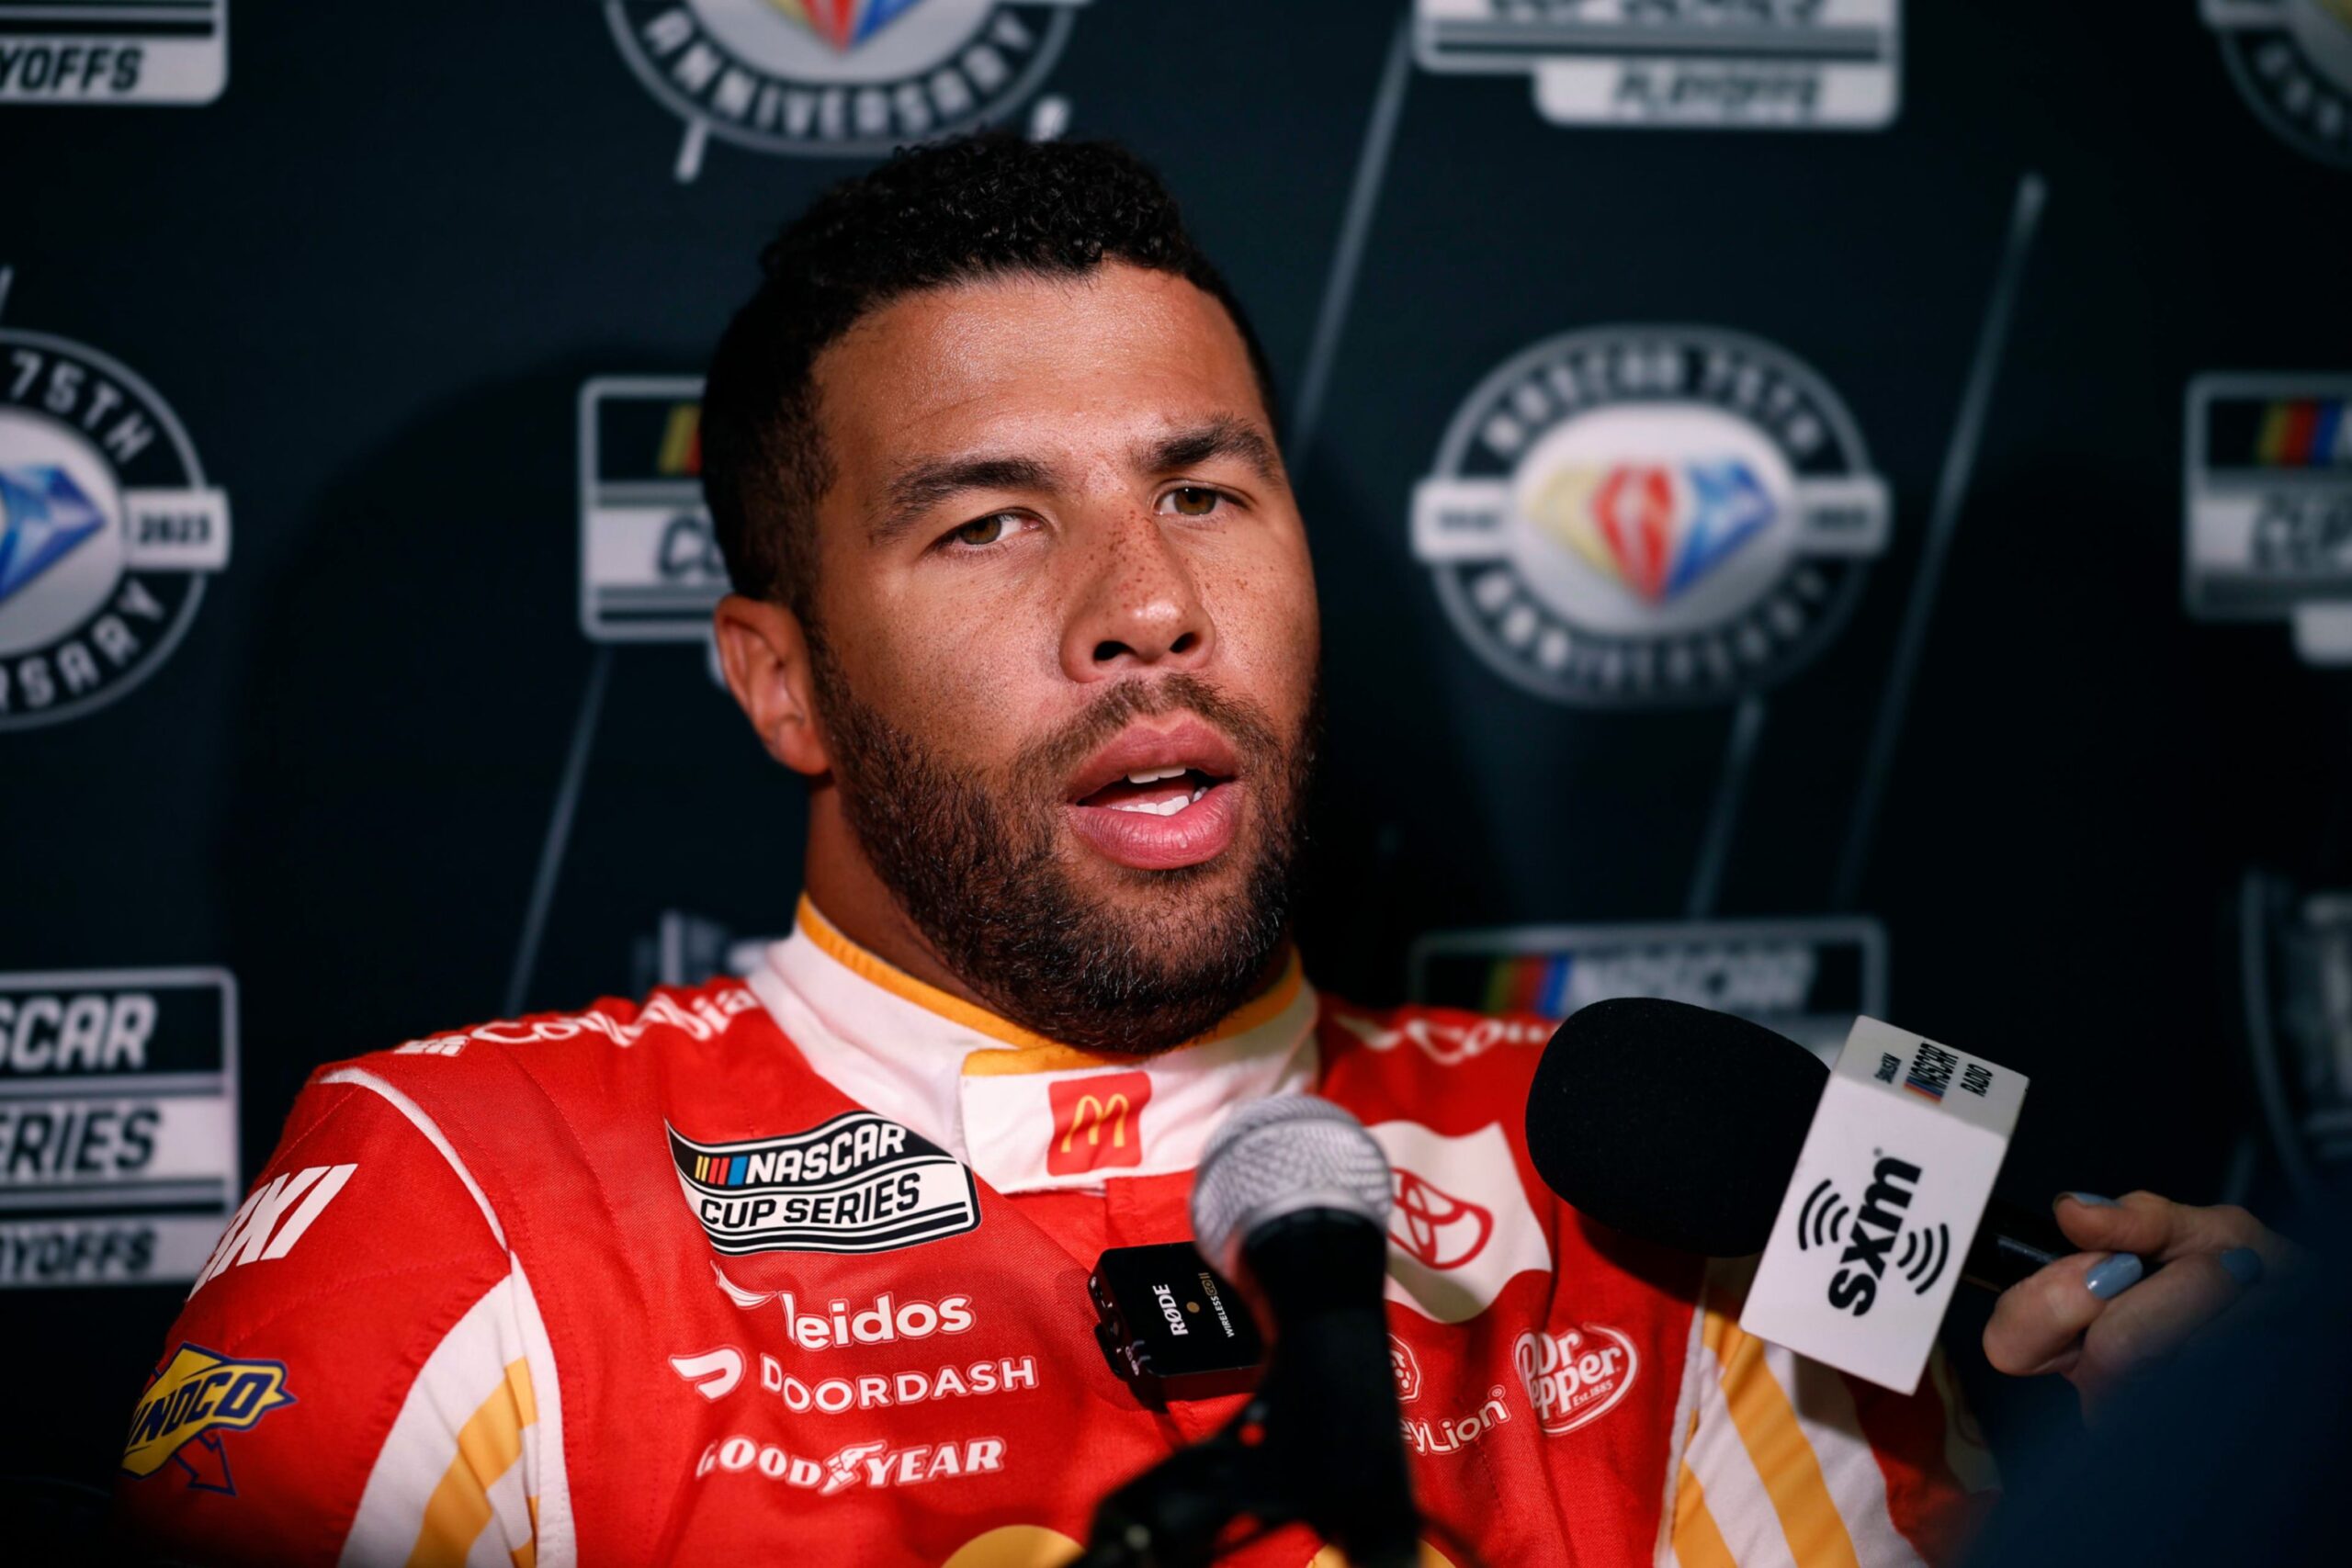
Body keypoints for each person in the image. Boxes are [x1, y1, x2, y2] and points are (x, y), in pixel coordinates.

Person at [115, 134, 2290, 1568]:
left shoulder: (1676, 1164)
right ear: (779, 682)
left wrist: (2245, 1455)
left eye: (1202, 491)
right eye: (991, 520)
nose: (1142, 603)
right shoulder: (463, 1195)